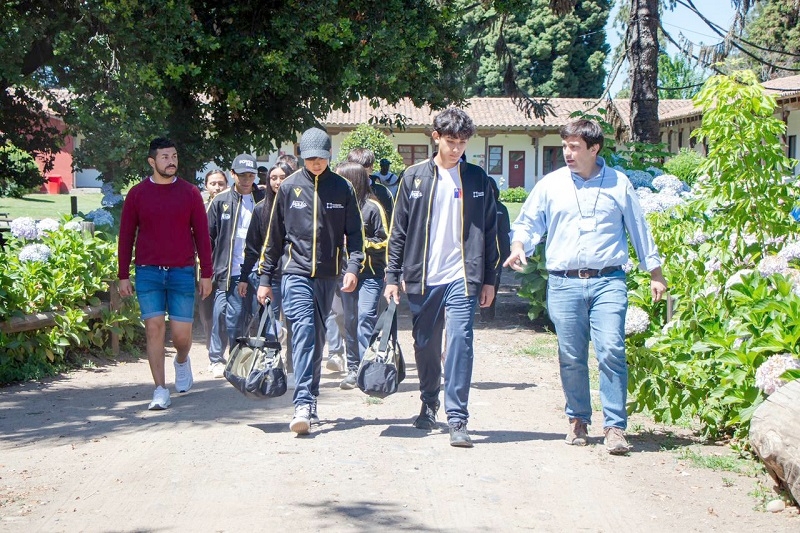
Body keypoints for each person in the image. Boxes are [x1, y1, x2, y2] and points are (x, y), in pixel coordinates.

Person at [503, 118, 668, 455]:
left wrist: (655, 272)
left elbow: (639, 229)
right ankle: (578, 418)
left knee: (610, 350)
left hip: (608, 280)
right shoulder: (551, 185)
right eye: (565, 146)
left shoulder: (619, 184)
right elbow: (529, 222)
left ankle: (615, 427)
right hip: (564, 283)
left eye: (575, 147)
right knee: (572, 356)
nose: (567, 152)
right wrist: (520, 246)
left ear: (594, 148)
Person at [385, 108, 498, 448]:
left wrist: (491, 278)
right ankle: (429, 398)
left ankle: (458, 417)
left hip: (462, 277)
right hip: (423, 277)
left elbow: (492, 231)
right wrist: (392, 276)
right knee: (425, 344)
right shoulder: (413, 177)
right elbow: (399, 231)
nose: (456, 149)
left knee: (462, 341)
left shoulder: (478, 179)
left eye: (462, 143)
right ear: (436, 137)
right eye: (451, 142)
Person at [257, 127, 364, 435]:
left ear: (329, 156)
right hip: (295, 272)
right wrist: (265, 278)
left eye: (321, 158)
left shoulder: (342, 188)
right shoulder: (289, 187)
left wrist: (353, 268)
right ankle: (302, 402)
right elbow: (273, 238)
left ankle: (311, 397)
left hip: (329, 275)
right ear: (302, 156)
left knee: (317, 338)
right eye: (310, 158)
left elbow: (356, 236)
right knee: (303, 331)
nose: (316, 163)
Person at [117, 137, 213, 410]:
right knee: (154, 329)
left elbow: (202, 236)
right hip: (148, 273)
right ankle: (160, 389)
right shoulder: (137, 194)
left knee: (182, 336)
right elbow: (126, 236)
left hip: (182, 271)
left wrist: (206, 273)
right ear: (152, 162)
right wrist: (123, 274)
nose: (171, 161)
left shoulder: (190, 193)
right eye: (165, 157)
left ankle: (182, 361)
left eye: (174, 156)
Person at [206, 154, 265, 378]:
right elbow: (208, 237)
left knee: (254, 314)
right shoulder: (221, 200)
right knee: (230, 315)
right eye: (242, 175)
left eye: (251, 175)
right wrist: (210, 269)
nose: (247, 179)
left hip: (257, 268)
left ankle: (247, 359)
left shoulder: (263, 198)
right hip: (230, 268)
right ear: (233, 174)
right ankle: (225, 358)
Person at [336, 162, 389, 390]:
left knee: (365, 316)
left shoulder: (373, 208)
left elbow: (385, 240)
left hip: (370, 275)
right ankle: (352, 368)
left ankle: (368, 369)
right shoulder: (337, 206)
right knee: (349, 320)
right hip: (345, 274)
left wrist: (360, 244)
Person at [238, 162, 293, 341]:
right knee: (269, 325)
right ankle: (269, 366)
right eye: (273, 178)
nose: (278, 182)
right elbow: (252, 248)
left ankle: (293, 367)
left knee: (295, 325)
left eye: (283, 178)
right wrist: (244, 277)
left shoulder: (301, 207)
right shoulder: (261, 209)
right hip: (270, 276)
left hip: (296, 273)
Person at [198, 169, 228, 349]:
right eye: (213, 184)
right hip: (203, 267)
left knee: (224, 312)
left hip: (224, 265)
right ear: (206, 186)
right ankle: (211, 347)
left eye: (221, 184)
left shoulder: (232, 204)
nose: (217, 187)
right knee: (207, 312)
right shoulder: (200, 207)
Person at [480, 178, 511, 322]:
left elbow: (505, 233)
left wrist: (507, 254)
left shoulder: (501, 209)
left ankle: (487, 315)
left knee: (492, 283)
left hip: (497, 253)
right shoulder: (476, 207)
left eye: (491, 188)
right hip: (478, 253)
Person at [347, 147, 394, 220]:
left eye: (363, 170)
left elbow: (391, 220)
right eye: (355, 170)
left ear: (372, 167)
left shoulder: (382, 192)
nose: (359, 174)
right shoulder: (344, 189)